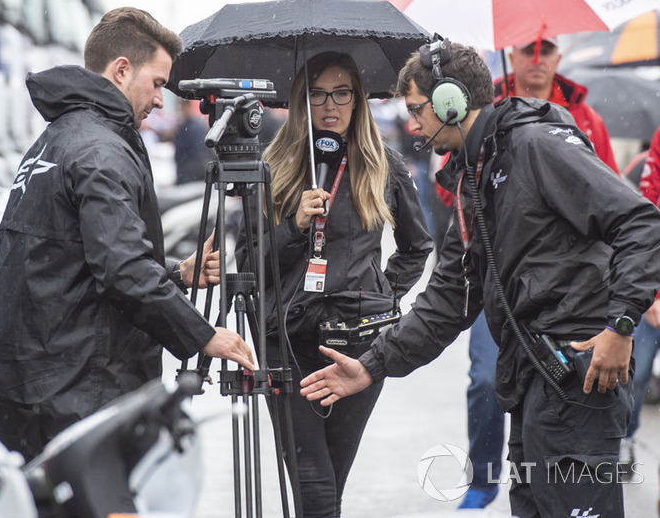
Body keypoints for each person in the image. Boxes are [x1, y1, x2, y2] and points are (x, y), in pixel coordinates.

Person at [300, 39, 660, 518]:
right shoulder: (476, 175)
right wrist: (370, 366)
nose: (412, 125)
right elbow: (447, 300)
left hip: (580, 379)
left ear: (451, 101)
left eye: (416, 110)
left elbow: (640, 221)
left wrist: (621, 326)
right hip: (536, 383)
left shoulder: (536, 145)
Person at [0, 7, 254, 461]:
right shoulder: (101, 149)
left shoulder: (59, 136)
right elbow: (122, 269)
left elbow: (79, 254)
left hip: (29, 386)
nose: (161, 100)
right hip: (77, 392)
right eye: (159, 83)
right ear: (122, 70)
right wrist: (205, 334)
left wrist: (177, 275)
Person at [235, 51, 433, 518]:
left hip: (358, 344)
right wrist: (294, 226)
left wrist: (381, 291)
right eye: (318, 94)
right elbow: (248, 265)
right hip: (287, 340)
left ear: (358, 99)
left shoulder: (383, 162)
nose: (330, 105)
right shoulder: (273, 164)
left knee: (330, 486)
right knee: (314, 487)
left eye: (342, 92)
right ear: (301, 102)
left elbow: (417, 247)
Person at [452, 36, 623, 509]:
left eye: (546, 50)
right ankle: (485, 474)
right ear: (515, 55)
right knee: (488, 380)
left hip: (569, 298)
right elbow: (458, 210)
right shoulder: (485, 113)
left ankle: (595, 458)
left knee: (579, 399)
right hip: (503, 285)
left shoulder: (588, 120)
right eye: (527, 49)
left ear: (558, 59)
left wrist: (621, 309)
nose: (536, 59)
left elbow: (613, 205)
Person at [621, 124, 660, 474]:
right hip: (653, 293)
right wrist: (651, 293)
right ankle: (626, 436)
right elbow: (643, 221)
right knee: (637, 372)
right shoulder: (641, 165)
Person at [173, 99, 212, 184]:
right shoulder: (188, 125)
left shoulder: (192, 126)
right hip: (189, 170)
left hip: (191, 172)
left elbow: (196, 151)